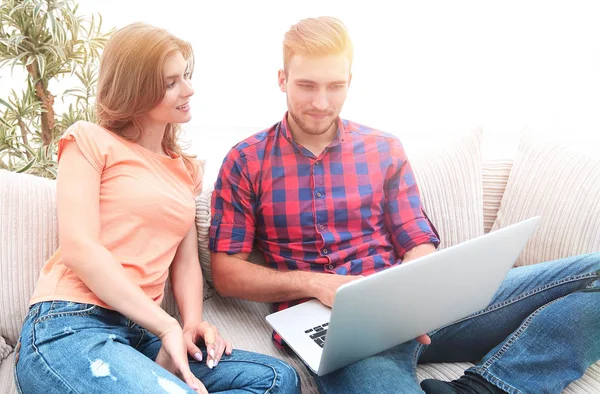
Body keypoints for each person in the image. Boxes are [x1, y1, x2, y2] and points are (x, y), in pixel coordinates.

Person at [209, 16, 600, 394]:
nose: (321, 102)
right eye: (307, 85)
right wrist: (315, 283)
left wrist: (411, 297)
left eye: (335, 86)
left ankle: (488, 386)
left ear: (350, 82)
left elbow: (416, 240)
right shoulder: (246, 161)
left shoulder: (383, 149)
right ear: (282, 79)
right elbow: (227, 274)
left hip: (419, 311)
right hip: (339, 333)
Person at [14, 22, 300, 394]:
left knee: (277, 380)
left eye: (185, 76)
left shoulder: (184, 171)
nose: (189, 89)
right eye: (171, 83)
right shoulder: (88, 140)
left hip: (140, 336)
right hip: (70, 325)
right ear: (136, 90)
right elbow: (79, 248)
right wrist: (166, 325)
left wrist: (191, 323)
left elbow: (184, 262)